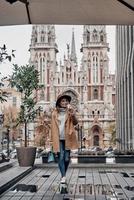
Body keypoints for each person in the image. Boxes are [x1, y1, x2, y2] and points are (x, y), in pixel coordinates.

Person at [50, 94, 79, 184]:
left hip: (67, 137)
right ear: (59, 102)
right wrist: (51, 140)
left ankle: (63, 174)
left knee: (66, 159)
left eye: (66, 101)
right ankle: (63, 176)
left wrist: (73, 114)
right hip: (58, 138)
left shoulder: (69, 111)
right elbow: (52, 127)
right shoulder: (54, 113)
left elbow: (75, 123)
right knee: (61, 157)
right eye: (63, 101)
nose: (65, 102)